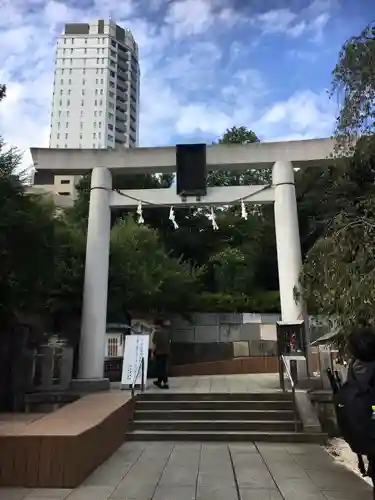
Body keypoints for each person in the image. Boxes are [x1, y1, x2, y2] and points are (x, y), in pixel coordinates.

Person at [151, 320, 171, 389]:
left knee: (160, 369)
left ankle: (165, 383)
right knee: (163, 368)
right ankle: (159, 381)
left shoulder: (156, 333)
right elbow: (169, 342)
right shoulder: (166, 332)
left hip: (159, 353)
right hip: (166, 352)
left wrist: (152, 353)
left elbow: (154, 345)